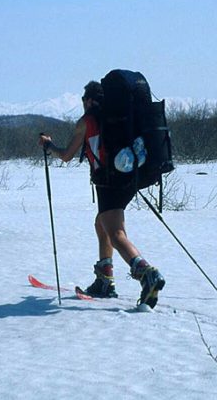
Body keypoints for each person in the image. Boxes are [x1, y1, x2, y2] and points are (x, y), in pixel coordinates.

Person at [38, 81, 166, 308]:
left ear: (88, 100)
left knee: (116, 233)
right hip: (129, 176)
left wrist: (49, 146)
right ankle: (104, 277)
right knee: (101, 224)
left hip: (108, 181)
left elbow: (67, 155)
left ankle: (146, 273)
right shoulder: (118, 118)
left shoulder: (86, 121)